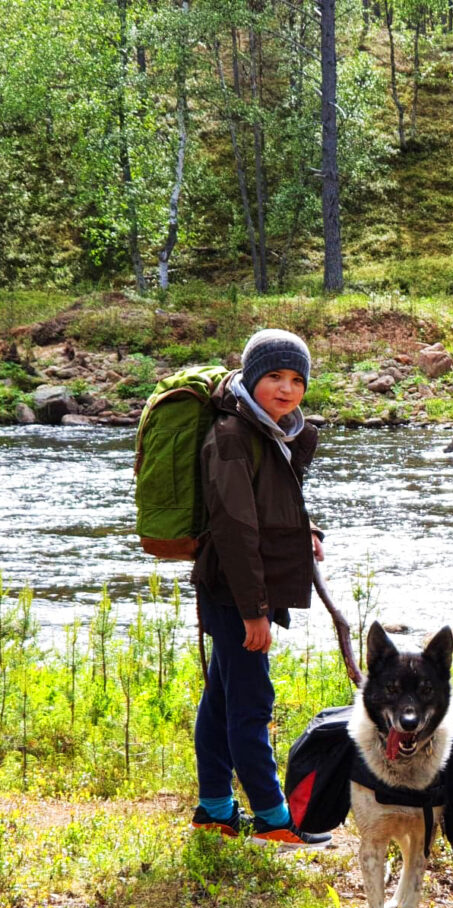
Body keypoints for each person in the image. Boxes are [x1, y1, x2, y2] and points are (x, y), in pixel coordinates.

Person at [189, 329, 332, 850]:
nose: (287, 389)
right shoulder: (232, 436)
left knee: (223, 698)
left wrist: (305, 531)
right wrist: (254, 611)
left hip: (239, 586)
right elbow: (234, 527)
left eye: (297, 379)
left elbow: (269, 504)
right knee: (251, 701)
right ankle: (273, 820)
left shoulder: (271, 431)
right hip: (233, 588)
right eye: (274, 376)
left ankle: (215, 810)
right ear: (251, 379)